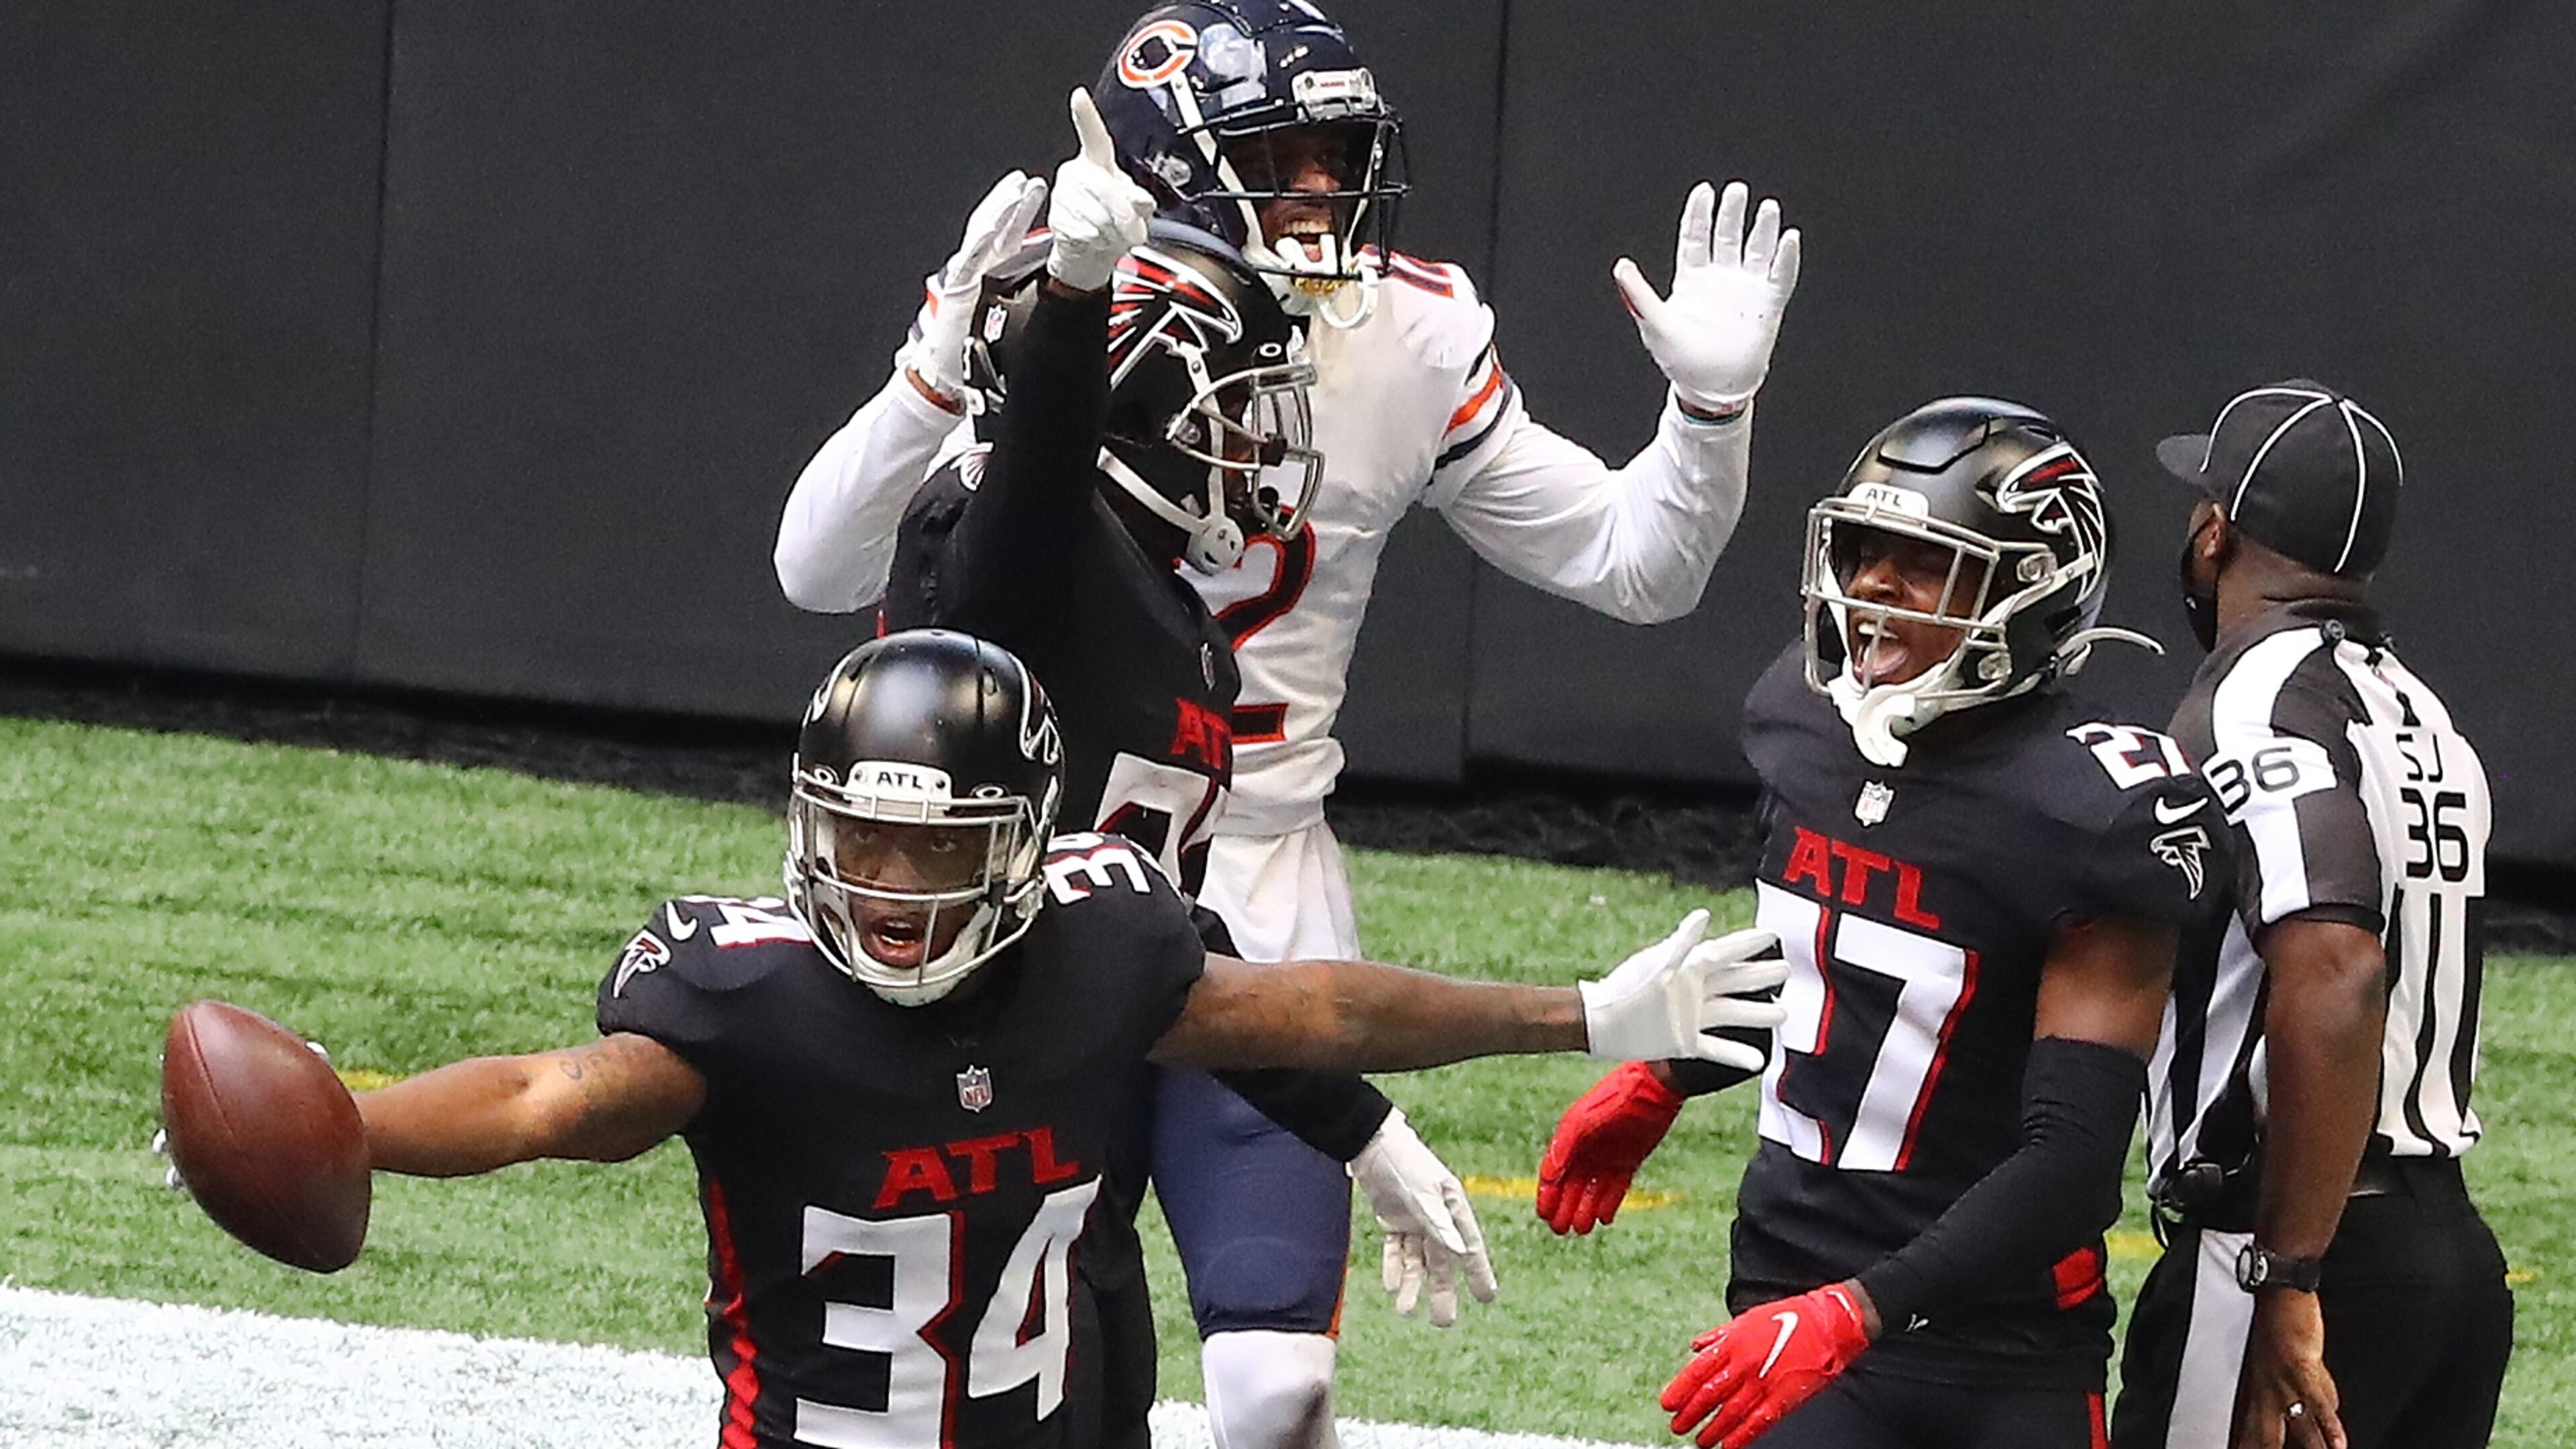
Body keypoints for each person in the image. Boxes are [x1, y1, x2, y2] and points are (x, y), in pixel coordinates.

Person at [773, 6, 1803, 1437]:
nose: (1323, 196)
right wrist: (942, 362)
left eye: (1339, 157)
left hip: (1247, 850)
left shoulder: (1404, 330)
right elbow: (816, 568)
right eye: (1284, 158)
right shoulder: (1060, 314)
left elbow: (1639, 565)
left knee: (1278, 1385)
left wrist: (1710, 408)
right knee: (1014, 1352)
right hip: (1022, 880)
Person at [337, 627, 1785, 1449]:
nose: (888, 888)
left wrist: (1586, 1015)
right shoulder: (746, 996)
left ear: (1026, 846)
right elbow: (543, 1100)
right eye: (860, 838)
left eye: (934, 846)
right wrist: (339, 1128)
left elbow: (1318, 1006)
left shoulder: (1100, 946)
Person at [876, 93, 1499, 1449]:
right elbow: (1027, 498)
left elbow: (1154, 943)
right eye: (1235, 406)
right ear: (1137, 397)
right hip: (943, 1104)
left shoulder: (1180, 634)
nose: (1263, 442)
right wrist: (1079, 292)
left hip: (1061, 1120)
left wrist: (1361, 1129)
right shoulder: (1009, 543)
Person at [1532, 400, 2233, 1448]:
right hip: (1794, 1296)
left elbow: (2073, 1159)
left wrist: (1859, 1309)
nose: (1870, 589)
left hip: (2008, 1344)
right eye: (1862, 553)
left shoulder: (2094, 810)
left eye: (1922, 565)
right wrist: (1669, 1071)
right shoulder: (1804, 720)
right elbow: (1831, 957)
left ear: (2033, 591)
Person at [2112, 382, 2512, 1449]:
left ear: (2215, 533)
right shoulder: (2422, 710)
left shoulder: (2256, 700)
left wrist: (2286, 1274)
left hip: (2298, 1245)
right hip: (2447, 1250)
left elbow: (2337, 969)